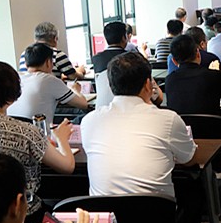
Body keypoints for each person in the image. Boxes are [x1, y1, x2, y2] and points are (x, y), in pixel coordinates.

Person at [0, 61, 75, 223]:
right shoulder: (26, 132)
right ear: (13, 95)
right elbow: (67, 167)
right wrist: (62, 138)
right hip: (21, 216)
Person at [80, 52, 196, 198]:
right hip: (155, 210)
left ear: (110, 85)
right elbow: (189, 159)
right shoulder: (168, 119)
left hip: (102, 210)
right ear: (148, 84)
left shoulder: (89, 121)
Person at [8, 43, 89, 122]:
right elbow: (83, 104)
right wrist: (75, 90)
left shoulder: (17, 77)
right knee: (86, 114)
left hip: (14, 127)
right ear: (48, 62)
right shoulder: (48, 79)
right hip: (39, 130)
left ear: (25, 64)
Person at [165, 34, 221, 115]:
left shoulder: (169, 80)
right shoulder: (215, 76)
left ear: (174, 61)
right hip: (212, 123)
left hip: (181, 123)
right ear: (198, 53)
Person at [18, 21, 86, 80]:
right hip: (51, 90)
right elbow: (73, 77)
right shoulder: (57, 55)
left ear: (35, 39)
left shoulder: (24, 54)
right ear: (55, 39)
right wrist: (80, 71)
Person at [91, 21, 128, 108]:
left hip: (101, 107)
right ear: (124, 38)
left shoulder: (96, 59)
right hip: (125, 107)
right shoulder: (132, 58)